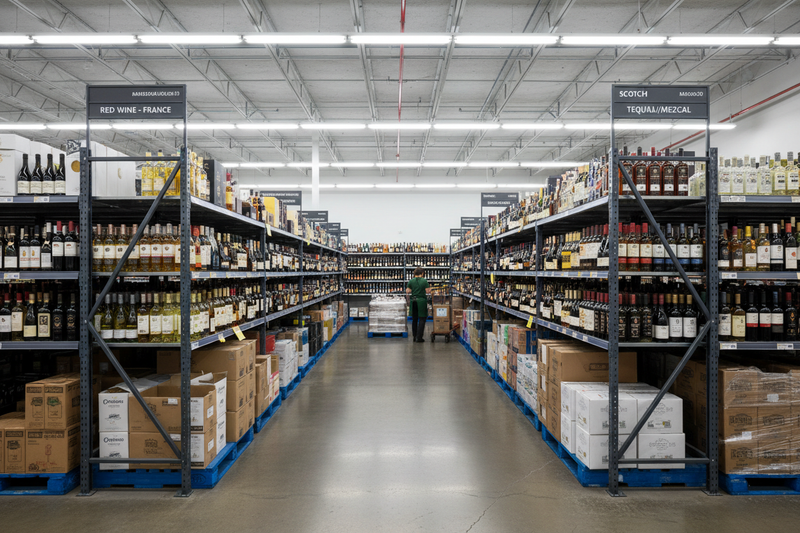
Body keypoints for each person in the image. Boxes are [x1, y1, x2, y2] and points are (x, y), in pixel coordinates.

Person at [406, 267, 431, 342]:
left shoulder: (411, 281)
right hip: (422, 301)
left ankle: (414, 336)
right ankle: (419, 337)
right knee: (422, 319)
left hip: (413, 301)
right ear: (422, 273)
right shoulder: (424, 281)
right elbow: (427, 292)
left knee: (414, 319)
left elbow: (408, 291)